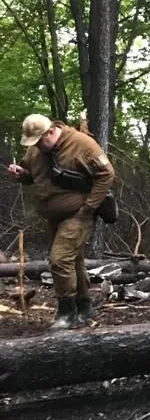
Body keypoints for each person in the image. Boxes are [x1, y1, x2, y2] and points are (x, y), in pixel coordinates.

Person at [6, 113, 115, 329]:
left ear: (50, 131)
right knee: (74, 262)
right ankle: (84, 308)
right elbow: (32, 175)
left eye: (39, 141)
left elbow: (107, 174)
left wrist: (89, 207)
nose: (37, 146)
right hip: (53, 215)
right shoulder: (37, 149)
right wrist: (21, 174)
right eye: (33, 143)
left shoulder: (81, 144)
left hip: (78, 212)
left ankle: (67, 313)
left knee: (59, 259)